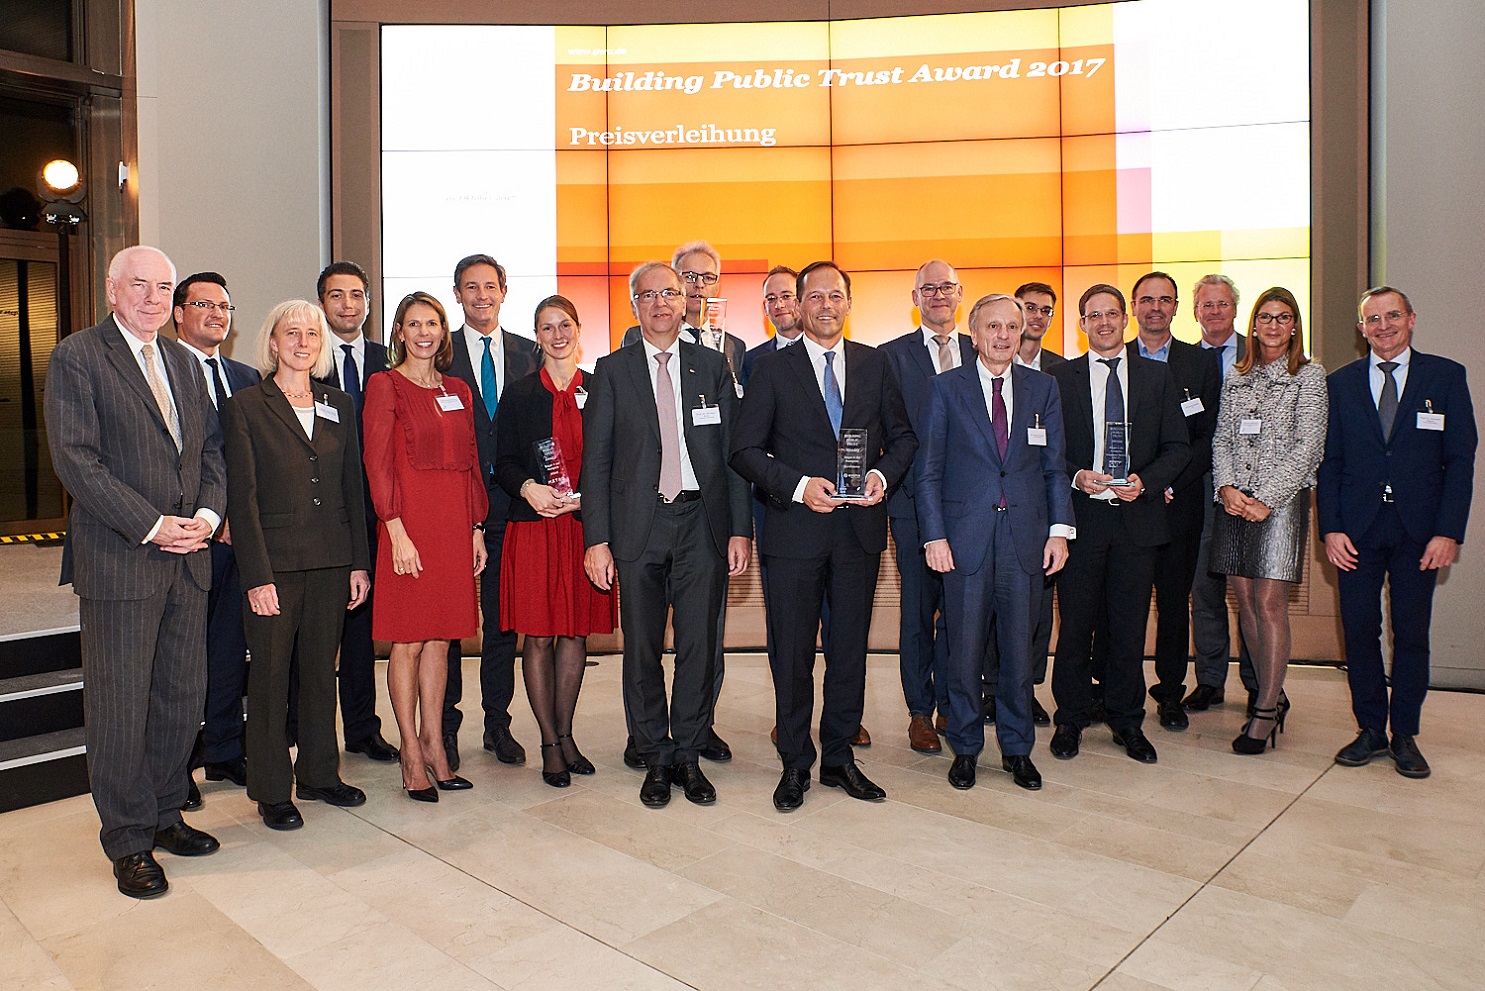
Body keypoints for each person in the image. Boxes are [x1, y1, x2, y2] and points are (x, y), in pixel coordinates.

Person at [45, 245, 225, 898]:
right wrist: (152, 524)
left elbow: (210, 451)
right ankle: (127, 839)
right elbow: (76, 459)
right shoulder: (78, 356)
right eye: (139, 285)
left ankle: (165, 811)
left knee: (180, 697)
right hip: (124, 558)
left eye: (164, 287)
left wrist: (205, 515)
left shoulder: (183, 361)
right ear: (112, 289)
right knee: (120, 706)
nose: (153, 297)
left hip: (189, 559)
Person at [731, 260, 917, 812]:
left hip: (859, 531)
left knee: (849, 651)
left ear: (849, 303)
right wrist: (797, 486)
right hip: (794, 533)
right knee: (792, 655)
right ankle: (795, 762)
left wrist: (882, 475)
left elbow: (904, 438)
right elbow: (743, 451)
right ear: (798, 304)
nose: (826, 305)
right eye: (815, 296)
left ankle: (839, 757)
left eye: (836, 295)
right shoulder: (772, 369)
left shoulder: (875, 363)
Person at [583, 263, 752, 809]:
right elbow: (596, 462)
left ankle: (688, 755)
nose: (660, 302)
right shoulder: (611, 371)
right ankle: (655, 755)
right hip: (639, 526)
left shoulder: (712, 366)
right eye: (648, 294)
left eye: (670, 293)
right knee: (642, 648)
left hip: (702, 524)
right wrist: (596, 539)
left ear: (686, 302)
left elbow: (733, 455)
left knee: (699, 647)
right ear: (634, 305)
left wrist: (739, 530)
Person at [223, 301, 372, 828]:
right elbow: (242, 499)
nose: (302, 342)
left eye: (312, 333)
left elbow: (352, 487)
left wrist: (358, 563)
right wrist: (256, 576)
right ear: (273, 342)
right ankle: (271, 789)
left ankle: (319, 774)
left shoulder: (339, 403)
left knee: (319, 673)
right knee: (269, 677)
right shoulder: (246, 406)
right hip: (276, 566)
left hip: (332, 560)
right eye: (292, 332)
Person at [917, 294, 1073, 791]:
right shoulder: (945, 388)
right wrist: (934, 536)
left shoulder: (1043, 388)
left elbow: (1054, 468)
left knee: (1019, 655)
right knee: (963, 653)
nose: (1003, 335)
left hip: (1025, 540)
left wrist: (1060, 531)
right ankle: (965, 747)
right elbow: (928, 472)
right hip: (964, 540)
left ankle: (1017, 749)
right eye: (993, 327)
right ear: (974, 334)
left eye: (1011, 326)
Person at [1319, 286, 1477, 778]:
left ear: (1411, 319)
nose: (1383, 326)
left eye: (1393, 316)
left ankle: (1405, 732)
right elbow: (1330, 462)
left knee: (1411, 632)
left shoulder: (1445, 376)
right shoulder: (1340, 383)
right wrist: (1331, 528)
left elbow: (1460, 460)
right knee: (1359, 630)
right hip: (1357, 530)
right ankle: (1370, 728)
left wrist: (1448, 532)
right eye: (1373, 319)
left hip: (1420, 532)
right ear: (1361, 328)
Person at [1047, 285, 1190, 765]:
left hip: (1136, 519)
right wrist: (1075, 476)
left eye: (1112, 313)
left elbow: (1178, 447)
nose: (1104, 322)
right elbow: (1046, 449)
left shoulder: (1157, 376)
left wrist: (1146, 482)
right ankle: (1070, 718)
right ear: (1081, 324)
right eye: (1094, 315)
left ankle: (1127, 720)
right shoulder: (1058, 378)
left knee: (1129, 627)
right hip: (1081, 519)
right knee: (1075, 626)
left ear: (1125, 319)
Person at [363, 292, 489, 801]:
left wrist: (476, 526)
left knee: (441, 639)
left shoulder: (458, 389)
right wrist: (395, 530)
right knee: (409, 641)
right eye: (413, 324)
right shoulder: (384, 385)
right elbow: (377, 462)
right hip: (408, 527)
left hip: (453, 527)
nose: (423, 333)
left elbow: (472, 460)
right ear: (399, 332)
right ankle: (410, 752)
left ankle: (437, 745)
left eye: (432, 323)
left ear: (443, 332)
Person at [495, 295, 616, 787]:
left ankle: (566, 735)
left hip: (586, 530)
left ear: (578, 329)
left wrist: (585, 500)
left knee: (574, 633)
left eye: (565, 324)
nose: (557, 335)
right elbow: (502, 462)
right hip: (534, 528)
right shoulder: (520, 394)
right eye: (547, 327)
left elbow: (619, 458)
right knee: (539, 636)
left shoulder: (602, 389)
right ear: (537, 337)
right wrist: (529, 487)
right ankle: (549, 742)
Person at [1209, 287, 1327, 755]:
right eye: (1265, 317)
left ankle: (1263, 710)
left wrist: (1267, 499)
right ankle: (1271, 693)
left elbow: (1309, 445)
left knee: (1270, 603)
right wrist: (1226, 487)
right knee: (1246, 604)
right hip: (1235, 504)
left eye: (1283, 317)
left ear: (1294, 326)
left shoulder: (1309, 376)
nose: (1273, 325)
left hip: (1280, 504)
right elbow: (1222, 438)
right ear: (1253, 326)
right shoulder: (1238, 376)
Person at [441, 254, 540, 771]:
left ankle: (497, 723)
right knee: (452, 622)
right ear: (457, 294)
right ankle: (446, 725)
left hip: (513, 507)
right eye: (470, 286)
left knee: (502, 623)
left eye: (489, 286)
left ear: (504, 291)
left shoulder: (530, 352)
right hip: (453, 509)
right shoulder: (439, 352)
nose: (481, 295)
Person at [881, 260, 976, 754]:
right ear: (915, 297)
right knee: (918, 610)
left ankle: (951, 702)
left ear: (960, 294)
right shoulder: (890, 357)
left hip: (974, 506)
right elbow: (888, 433)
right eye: (928, 288)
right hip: (913, 503)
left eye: (946, 287)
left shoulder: (983, 348)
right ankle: (919, 710)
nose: (938, 295)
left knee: (961, 610)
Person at [171, 272, 259, 802]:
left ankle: (224, 750)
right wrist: (211, 514)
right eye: (203, 304)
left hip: (239, 540)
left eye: (224, 306)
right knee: (181, 656)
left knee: (229, 649)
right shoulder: (160, 370)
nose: (216, 314)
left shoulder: (246, 377)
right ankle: (177, 765)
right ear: (179, 313)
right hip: (185, 536)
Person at [1125, 272, 1222, 730]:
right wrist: (1141, 483)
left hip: (1179, 502)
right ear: (1134, 307)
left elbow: (1206, 436)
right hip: (1126, 502)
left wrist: (1167, 483)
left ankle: (1169, 693)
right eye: (1146, 300)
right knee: (1122, 603)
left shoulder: (1199, 363)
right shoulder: (1116, 359)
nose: (1155, 308)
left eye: (1165, 300)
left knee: (1173, 603)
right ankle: (1117, 690)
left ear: (1177, 307)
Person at [315, 261, 400, 763]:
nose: (347, 305)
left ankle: (363, 728)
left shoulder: (390, 360)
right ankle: (306, 732)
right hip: (322, 511)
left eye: (356, 295)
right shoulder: (305, 357)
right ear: (321, 303)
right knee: (317, 629)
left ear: (368, 302)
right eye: (336, 295)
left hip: (379, 512)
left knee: (361, 627)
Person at [1185, 274, 1257, 712]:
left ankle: (1260, 682)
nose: (1214, 312)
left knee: (1253, 595)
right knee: (1205, 590)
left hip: (1251, 492)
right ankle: (1210, 680)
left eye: (1222, 304)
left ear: (1235, 308)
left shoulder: (1261, 351)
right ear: (1196, 312)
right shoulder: (1186, 361)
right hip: (1199, 488)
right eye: (1206, 305)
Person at [1014, 282, 1067, 373]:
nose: (1039, 316)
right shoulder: (995, 361)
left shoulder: (1063, 368)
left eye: (1046, 311)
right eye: (1030, 308)